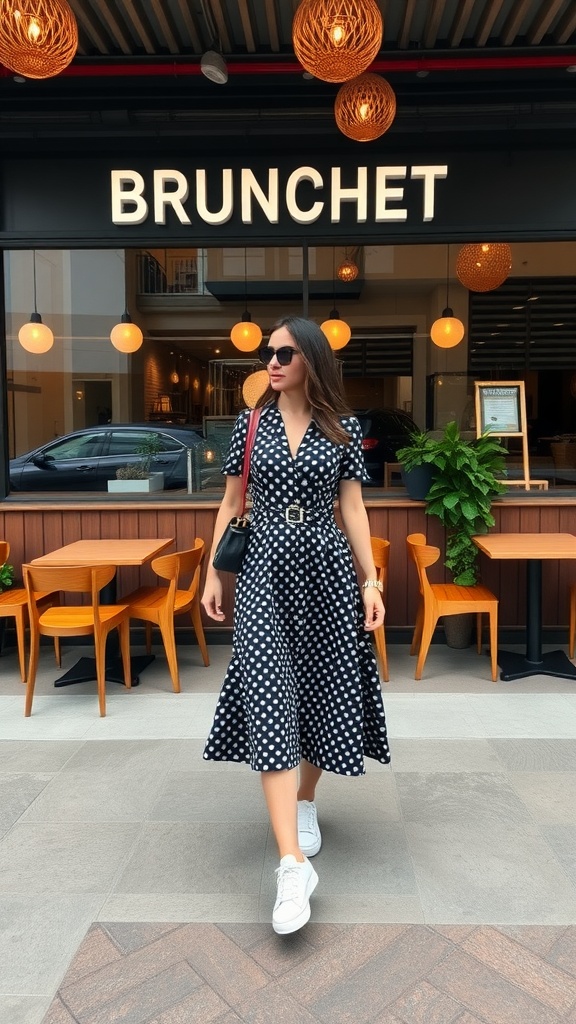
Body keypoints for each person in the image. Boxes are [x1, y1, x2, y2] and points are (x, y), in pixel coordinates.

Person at [201, 316, 390, 935]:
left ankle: (306, 800)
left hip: (327, 574)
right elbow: (231, 503)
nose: (272, 361)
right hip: (261, 575)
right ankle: (290, 865)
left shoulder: (343, 428)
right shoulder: (249, 423)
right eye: (268, 352)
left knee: (320, 692)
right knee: (270, 700)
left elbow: (353, 507)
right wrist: (211, 576)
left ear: (311, 359)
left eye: (284, 352)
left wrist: (371, 579)